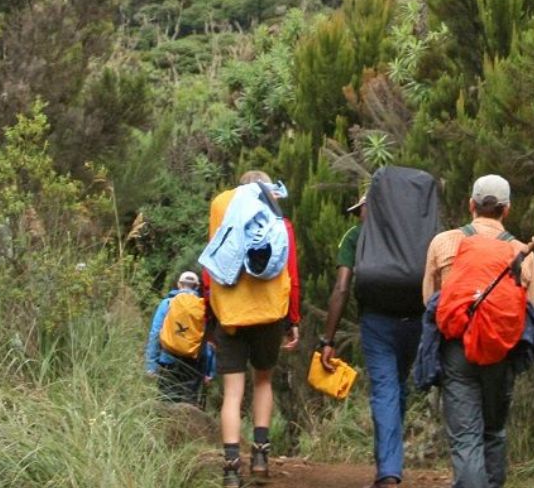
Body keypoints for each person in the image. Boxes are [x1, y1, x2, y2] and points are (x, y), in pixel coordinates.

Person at [422, 174, 534, 488]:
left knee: (466, 438)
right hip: (500, 351)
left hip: (457, 349)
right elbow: (530, 310)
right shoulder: (521, 251)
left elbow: (429, 301)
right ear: (507, 209)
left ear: (471, 205)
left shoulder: (444, 242)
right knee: (495, 432)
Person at [201, 171, 302, 487]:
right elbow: (292, 277)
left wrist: (209, 322)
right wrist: (292, 321)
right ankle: (260, 457)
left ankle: (231, 469)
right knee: (263, 381)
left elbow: (210, 273)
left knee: (232, 392)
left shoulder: (222, 217)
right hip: (270, 314)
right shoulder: (279, 224)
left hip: (230, 315)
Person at [319, 189, 425, 488]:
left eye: (360, 210)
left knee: (385, 389)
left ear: (373, 207)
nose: (357, 216)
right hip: (414, 321)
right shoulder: (413, 234)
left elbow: (341, 288)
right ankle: (389, 462)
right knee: (397, 386)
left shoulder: (356, 236)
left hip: (377, 321)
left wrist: (327, 340)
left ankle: (388, 472)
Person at [147, 270, 214, 406]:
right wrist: (209, 372)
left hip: (167, 361)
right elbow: (207, 342)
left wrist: (151, 366)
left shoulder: (167, 303)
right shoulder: (202, 308)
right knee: (188, 406)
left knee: (166, 404)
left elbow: (155, 333)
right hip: (193, 365)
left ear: (179, 284)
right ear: (197, 286)